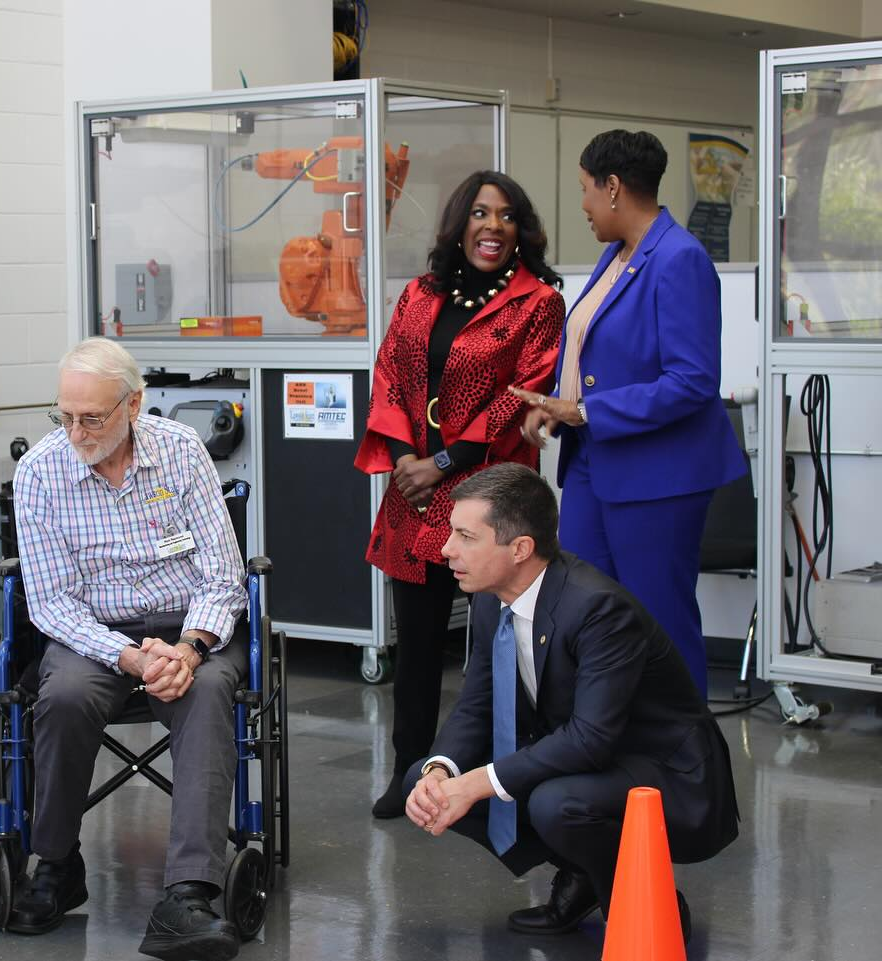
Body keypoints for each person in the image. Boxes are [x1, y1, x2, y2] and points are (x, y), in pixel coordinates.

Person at [402, 463, 739, 940]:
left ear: (520, 549)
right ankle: (584, 876)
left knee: (556, 803)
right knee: (422, 781)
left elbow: (591, 739)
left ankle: (653, 902)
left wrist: (476, 783)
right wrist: (441, 773)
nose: (446, 549)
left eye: (465, 536)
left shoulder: (599, 608)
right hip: (586, 753)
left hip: (664, 770)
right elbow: (477, 705)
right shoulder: (486, 596)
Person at [10, 337, 248, 961]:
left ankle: (188, 896)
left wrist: (189, 650)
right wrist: (132, 657)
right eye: (64, 416)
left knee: (207, 693)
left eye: (91, 417)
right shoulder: (40, 472)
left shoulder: (183, 452)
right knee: (60, 696)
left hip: (188, 625)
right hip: (91, 633)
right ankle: (56, 864)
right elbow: (52, 604)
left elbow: (225, 576)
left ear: (134, 404)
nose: (75, 431)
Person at [355, 171, 566, 819]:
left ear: (520, 230)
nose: (492, 226)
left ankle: (499, 780)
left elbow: (518, 395)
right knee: (416, 648)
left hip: (488, 497)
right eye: (479, 212)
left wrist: (442, 461)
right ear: (459, 223)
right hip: (412, 495)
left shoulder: (538, 303)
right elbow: (389, 374)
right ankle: (410, 770)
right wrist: (405, 462)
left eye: (506, 215)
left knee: (501, 648)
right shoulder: (420, 294)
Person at [512, 129, 747, 697]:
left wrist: (587, 411)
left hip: (657, 475)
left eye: (587, 190)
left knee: (658, 624)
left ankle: (685, 764)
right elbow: (596, 350)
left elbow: (692, 383)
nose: (585, 205)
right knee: (592, 617)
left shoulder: (679, 259)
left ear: (614, 187)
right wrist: (557, 406)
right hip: (597, 466)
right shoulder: (617, 255)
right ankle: (614, 753)